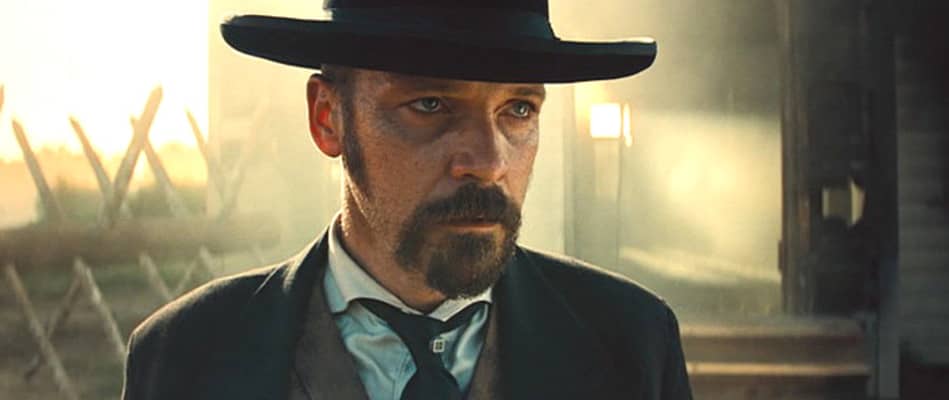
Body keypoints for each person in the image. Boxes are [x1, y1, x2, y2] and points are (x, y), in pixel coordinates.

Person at [121, 1, 693, 399]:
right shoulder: (186, 355)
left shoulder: (632, 343)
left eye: (518, 110)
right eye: (430, 105)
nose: (488, 161)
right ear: (328, 118)